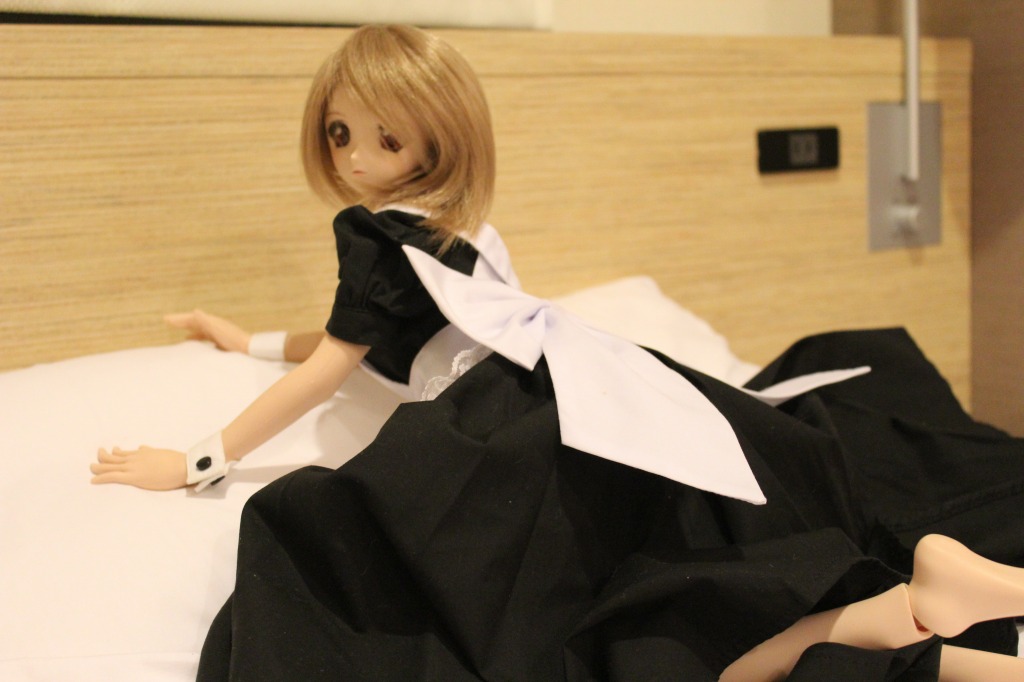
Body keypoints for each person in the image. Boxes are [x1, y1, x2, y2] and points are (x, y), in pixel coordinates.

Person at [90, 25, 1024, 681]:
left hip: (498, 431)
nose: (355, 157)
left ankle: (903, 619)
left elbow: (332, 364)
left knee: (411, 597)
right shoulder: (459, 230)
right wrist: (245, 337)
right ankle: (911, 610)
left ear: (437, 139)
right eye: (340, 133)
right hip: (577, 390)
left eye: (384, 137)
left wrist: (201, 458)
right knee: (661, 576)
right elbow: (359, 337)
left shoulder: (374, 235)